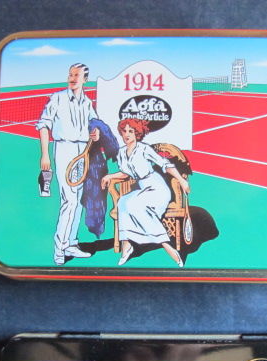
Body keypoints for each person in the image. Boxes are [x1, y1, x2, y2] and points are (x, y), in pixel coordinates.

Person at [101, 118, 190, 267]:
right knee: (123, 202)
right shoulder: (121, 152)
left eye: (131, 131)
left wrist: (182, 180)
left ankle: (166, 245)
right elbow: (125, 174)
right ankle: (126, 246)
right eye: (124, 131)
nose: (127, 134)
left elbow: (165, 164)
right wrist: (110, 176)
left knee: (134, 204)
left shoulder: (144, 149)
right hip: (142, 189)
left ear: (137, 133)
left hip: (157, 189)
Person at [35, 63, 100, 265]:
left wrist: (95, 133)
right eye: (70, 74)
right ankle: (59, 248)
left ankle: (71, 243)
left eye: (76, 75)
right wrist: (45, 155)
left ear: (85, 79)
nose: (72, 78)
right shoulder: (57, 98)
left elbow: (95, 125)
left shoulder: (87, 102)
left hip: (83, 151)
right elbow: (43, 125)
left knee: (79, 200)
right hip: (64, 149)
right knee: (69, 200)